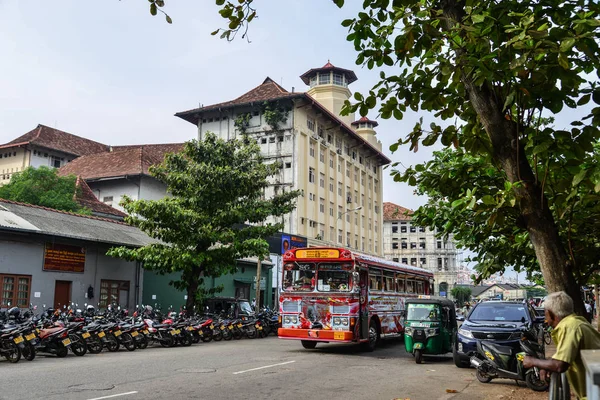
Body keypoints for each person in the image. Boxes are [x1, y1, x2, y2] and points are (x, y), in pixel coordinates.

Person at [523, 291, 600, 400]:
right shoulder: (575, 323)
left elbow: (560, 365)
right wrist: (546, 365)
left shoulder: (569, 327)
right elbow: (563, 357)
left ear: (550, 313)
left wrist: (532, 361)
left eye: (545, 312)